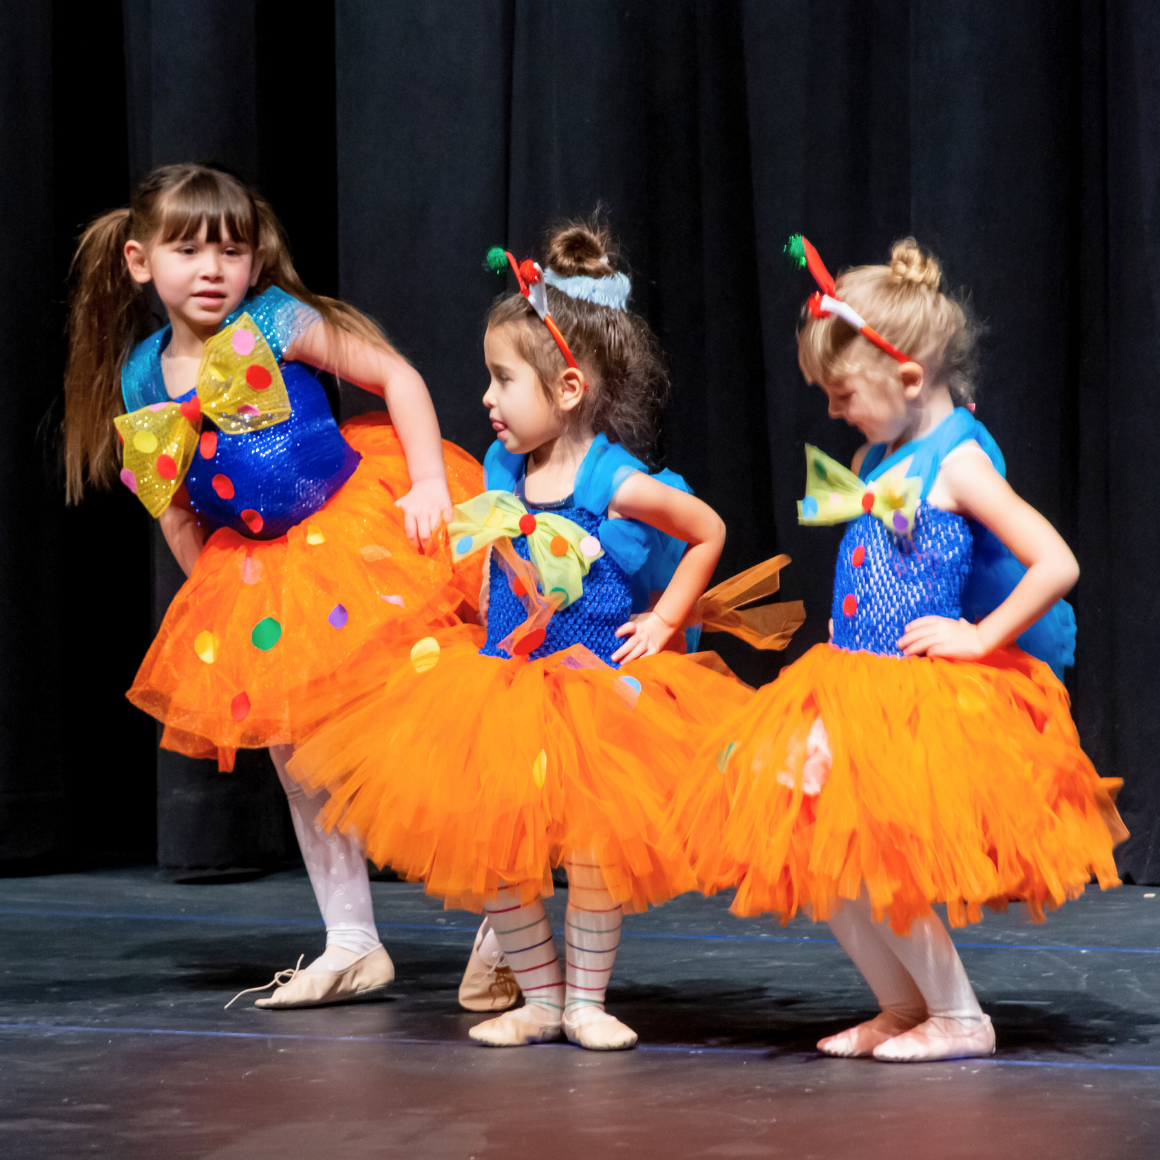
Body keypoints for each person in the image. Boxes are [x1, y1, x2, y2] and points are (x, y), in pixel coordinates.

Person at [288, 219, 801, 1050]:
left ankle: (587, 1001)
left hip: (598, 689)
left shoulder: (614, 479)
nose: (486, 398)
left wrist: (666, 618)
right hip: (502, 681)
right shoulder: (501, 470)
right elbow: (497, 551)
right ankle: (537, 995)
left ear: (566, 389)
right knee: (498, 850)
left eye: (502, 380)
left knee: (595, 851)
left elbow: (707, 529)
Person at [675, 236, 1125, 1063]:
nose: (836, 413)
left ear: (909, 378)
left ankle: (958, 1014)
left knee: (875, 849)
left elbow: (1055, 559)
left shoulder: (956, 462)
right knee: (816, 838)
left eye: (843, 395)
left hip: (914, 696)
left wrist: (980, 635)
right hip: (850, 679)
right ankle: (899, 1003)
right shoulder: (873, 455)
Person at [62, 163, 484, 1009]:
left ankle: (502, 918)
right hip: (264, 577)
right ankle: (353, 940)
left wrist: (431, 484)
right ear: (142, 263)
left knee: (418, 725)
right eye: (188, 249)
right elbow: (175, 505)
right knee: (301, 764)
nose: (213, 268)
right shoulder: (143, 378)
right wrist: (223, 598)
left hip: (359, 538)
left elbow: (396, 377)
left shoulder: (277, 320)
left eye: (231, 249)